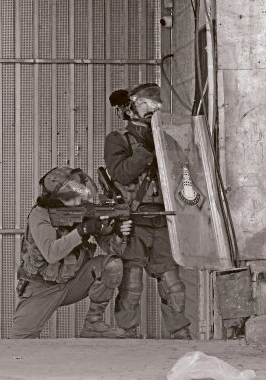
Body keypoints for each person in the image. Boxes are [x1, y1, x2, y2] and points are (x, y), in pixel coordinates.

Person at [105, 83, 191, 339]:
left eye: (155, 105)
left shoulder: (167, 140)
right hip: (135, 218)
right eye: (145, 105)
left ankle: (179, 334)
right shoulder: (118, 139)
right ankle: (127, 333)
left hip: (164, 219)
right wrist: (147, 149)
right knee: (131, 284)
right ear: (130, 110)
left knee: (172, 284)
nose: (152, 109)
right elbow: (121, 173)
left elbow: (184, 175)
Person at [11, 167, 132, 339]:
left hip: (72, 283)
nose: (81, 199)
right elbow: (51, 253)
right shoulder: (40, 214)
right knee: (18, 342)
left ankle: (93, 323)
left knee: (112, 265)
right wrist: (82, 231)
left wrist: (119, 234)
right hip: (40, 288)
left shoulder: (84, 212)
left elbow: (113, 250)